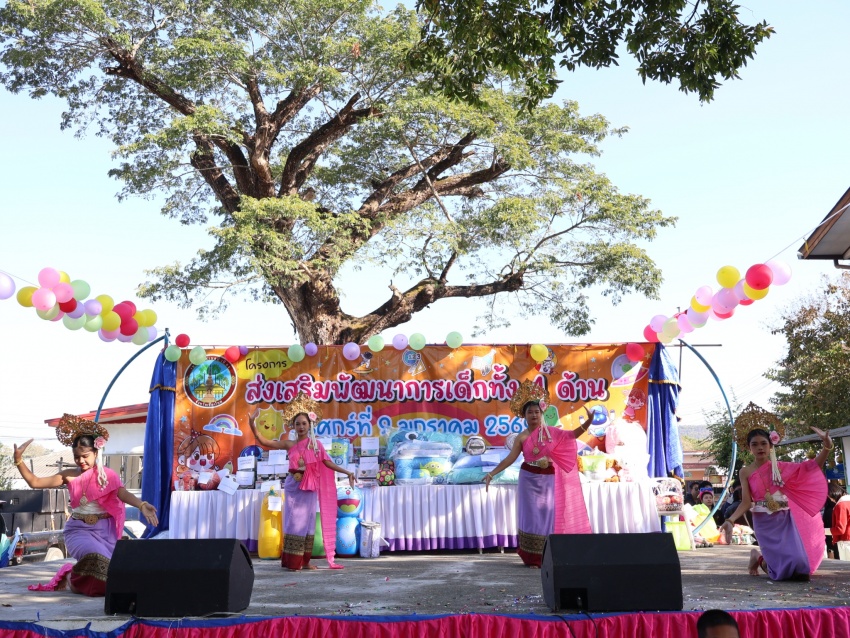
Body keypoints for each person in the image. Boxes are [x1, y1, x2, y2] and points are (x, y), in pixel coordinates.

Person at [14, 414, 158, 596]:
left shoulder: (108, 475)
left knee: (112, 576)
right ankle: (70, 577)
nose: (81, 461)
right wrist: (19, 460)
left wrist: (141, 505)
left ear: (96, 453)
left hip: (105, 532)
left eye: (85, 456)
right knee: (94, 557)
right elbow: (35, 482)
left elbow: (122, 493)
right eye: (77, 457)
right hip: (78, 531)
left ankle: (73, 577)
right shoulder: (68, 475)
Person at [483, 380, 591, 567]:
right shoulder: (522, 437)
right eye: (530, 412)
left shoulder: (551, 433)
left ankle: (547, 556)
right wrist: (491, 474)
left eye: (536, 412)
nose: (534, 415)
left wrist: (588, 422)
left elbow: (571, 436)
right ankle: (531, 557)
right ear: (524, 416)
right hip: (528, 479)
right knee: (531, 518)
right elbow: (510, 458)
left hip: (548, 479)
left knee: (548, 515)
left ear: (542, 414)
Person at [249, 392, 355, 571]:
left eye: (304, 423)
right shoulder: (289, 444)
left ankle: (305, 562)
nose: (301, 427)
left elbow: (327, 462)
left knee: (309, 524)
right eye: (297, 424)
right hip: (294, 487)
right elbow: (263, 441)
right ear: (293, 426)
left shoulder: (316, 445)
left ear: (310, 425)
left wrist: (347, 472)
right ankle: (293, 562)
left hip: (310, 487)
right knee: (295, 523)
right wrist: (253, 425)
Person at [725, 422, 830, 581]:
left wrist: (827, 445)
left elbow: (812, 467)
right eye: (755, 444)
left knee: (800, 568)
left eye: (763, 443)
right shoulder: (745, 472)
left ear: (770, 445)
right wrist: (730, 520)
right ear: (749, 448)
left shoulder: (781, 467)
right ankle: (758, 557)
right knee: (780, 574)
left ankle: (759, 557)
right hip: (763, 522)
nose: (760, 447)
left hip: (785, 519)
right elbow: (746, 502)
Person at [822, 480, 844, 558]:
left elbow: (840, 529)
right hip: (834, 540)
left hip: (839, 541)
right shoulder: (833, 505)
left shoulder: (839, 505)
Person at [830, 484, 850, 560]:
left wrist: (822, 531)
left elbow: (840, 529)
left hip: (846, 542)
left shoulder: (841, 505)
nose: (830, 500)